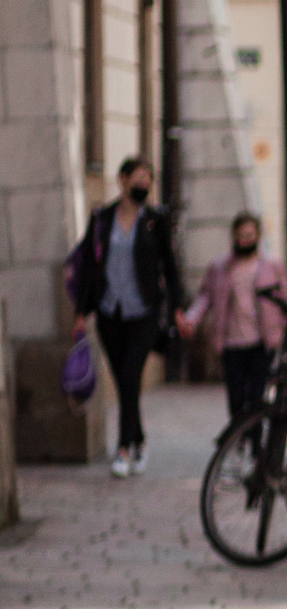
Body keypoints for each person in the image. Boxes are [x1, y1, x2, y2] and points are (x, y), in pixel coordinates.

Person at [69, 158, 185, 477]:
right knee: (123, 381)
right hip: (110, 311)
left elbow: (171, 268)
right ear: (122, 179)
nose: (144, 184)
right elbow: (90, 270)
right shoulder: (102, 219)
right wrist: (81, 313)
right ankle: (140, 440)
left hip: (145, 311)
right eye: (139, 177)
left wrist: (178, 309)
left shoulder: (156, 220)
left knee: (132, 375)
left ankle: (122, 450)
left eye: (149, 178)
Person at [178, 213, 287, 426]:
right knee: (236, 398)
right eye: (240, 236)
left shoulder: (271, 266)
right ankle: (240, 438)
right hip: (231, 343)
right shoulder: (220, 268)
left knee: (258, 397)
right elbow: (206, 297)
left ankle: (257, 447)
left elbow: (284, 301)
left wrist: (285, 332)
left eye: (249, 235)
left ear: (258, 235)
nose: (244, 241)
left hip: (262, 341)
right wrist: (190, 319)